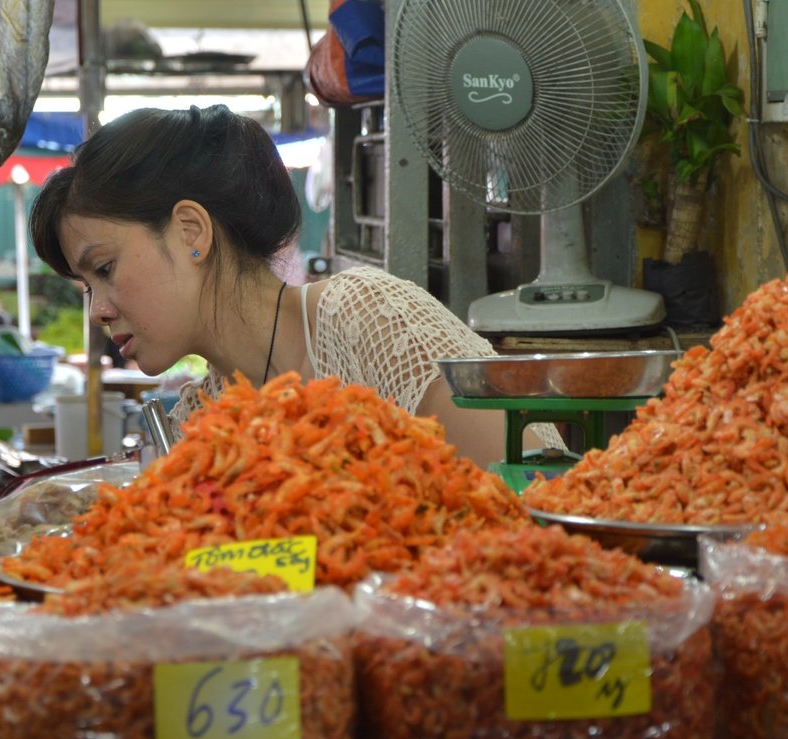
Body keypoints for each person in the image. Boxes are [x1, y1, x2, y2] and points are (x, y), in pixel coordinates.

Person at [28, 104, 562, 467]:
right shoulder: (199, 424)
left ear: (192, 232)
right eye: (85, 287)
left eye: (103, 269)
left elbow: (537, 489)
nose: (96, 310)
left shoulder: (368, 318)